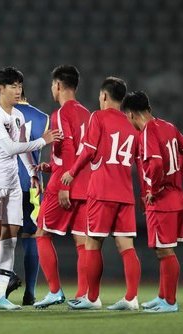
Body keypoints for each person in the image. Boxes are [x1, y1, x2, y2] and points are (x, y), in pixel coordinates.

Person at [0, 67, 61, 310]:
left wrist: (33, 172)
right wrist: (44, 140)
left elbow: (21, 151)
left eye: (19, 86)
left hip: (12, 183)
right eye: (12, 86)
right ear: (0, 89)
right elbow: (10, 148)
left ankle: (0, 296)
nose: (17, 90)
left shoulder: (18, 117)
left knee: (10, 237)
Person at [63, 77, 141, 310]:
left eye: (99, 96)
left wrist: (72, 172)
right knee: (127, 246)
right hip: (125, 193)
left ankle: (93, 298)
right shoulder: (131, 124)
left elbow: (89, 149)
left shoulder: (97, 116)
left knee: (92, 244)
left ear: (104, 96)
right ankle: (132, 298)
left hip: (102, 190)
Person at [122, 91, 183, 313]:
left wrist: (153, 189)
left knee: (165, 251)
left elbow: (155, 164)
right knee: (164, 250)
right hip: (177, 196)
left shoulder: (147, 132)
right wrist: (178, 177)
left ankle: (170, 302)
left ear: (132, 114)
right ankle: (162, 296)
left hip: (163, 201)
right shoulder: (168, 126)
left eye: (127, 117)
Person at [32, 65, 91, 308]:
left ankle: (55, 291)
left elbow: (67, 147)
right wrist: (52, 166)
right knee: (82, 240)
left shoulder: (60, 113)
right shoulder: (87, 114)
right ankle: (84, 294)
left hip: (64, 183)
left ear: (57, 85)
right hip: (86, 182)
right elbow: (83, 150)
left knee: (41, 234)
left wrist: (65, 180)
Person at [13, 88, 49, 306]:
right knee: (31, 236)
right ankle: (31, 292)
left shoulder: (0, 112)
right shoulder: (43, 117)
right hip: (32, 184)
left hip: (5, 182)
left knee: (0, 235)